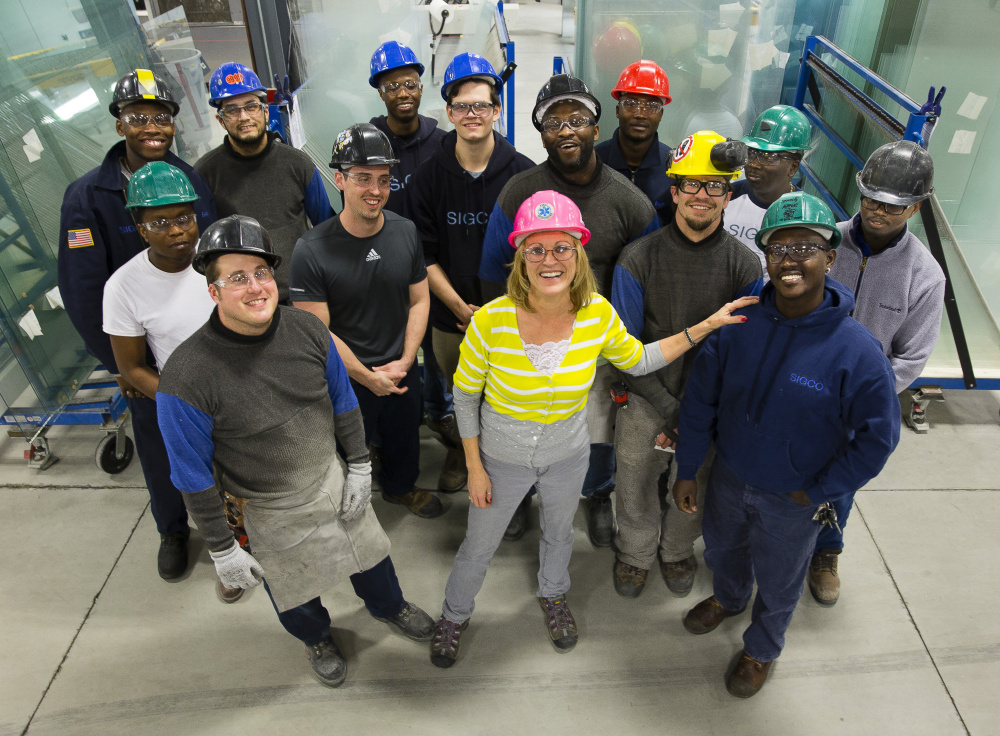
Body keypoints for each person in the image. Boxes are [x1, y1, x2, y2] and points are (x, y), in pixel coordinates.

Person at [430, 191, 756, 668]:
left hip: (567, 454)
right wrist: (475, 468)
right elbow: (463, 396)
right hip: (501, 458)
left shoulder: (597, 315)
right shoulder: (491, 322)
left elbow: (639, 358)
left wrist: (702, 327)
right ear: (519, 258)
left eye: (562, 247)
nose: (549, 260)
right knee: (479, 544)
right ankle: (454, 616)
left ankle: (554, 594)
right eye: (535, 249)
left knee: (560, 534)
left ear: (578, 254)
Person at [156, 215, 436, 688]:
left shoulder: (307, 330)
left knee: (370, 557)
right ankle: (316, 637)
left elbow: (345, 405)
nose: (255, 287)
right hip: (267, 508)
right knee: (293, 590)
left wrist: (361, 467)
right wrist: (223, 549)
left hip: (330, 480)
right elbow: (192, 475)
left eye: (261, 273)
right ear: (213, 292)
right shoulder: (186, 378)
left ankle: (389, 606)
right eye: (237, 278)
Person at [673, 192, 899, 698]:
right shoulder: (738, 324)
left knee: (781, 578)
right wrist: (689, 467)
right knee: (724, 549)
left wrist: (822, 488)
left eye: (806, 247)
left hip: (794, 496)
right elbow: (700, 400)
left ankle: (762, 648)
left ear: (829, 258)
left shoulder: (856, 351)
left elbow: (878, 438)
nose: (790, 260)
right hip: (730, 475)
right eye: (778, 248)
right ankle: (729, 599)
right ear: (765, 256)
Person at [478, 73, 659, 545]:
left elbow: (645, 277)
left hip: (593, 348)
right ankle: (518, 497)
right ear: (540, 133)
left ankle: (596, 495)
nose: (565, 131)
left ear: (595, 128)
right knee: (520, 424)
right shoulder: (518, 192)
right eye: (552, 122)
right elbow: (490, 271)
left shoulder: (628, 202)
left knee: (596, 427)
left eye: (576, 119)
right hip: (526, 340)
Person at [58, 69, 216, 581]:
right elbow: (84, 295)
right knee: (157, 442)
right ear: (120, 123)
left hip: (200, 336)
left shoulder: (188, 178)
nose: (152, 127)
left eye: (162, 117)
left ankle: (228, 523)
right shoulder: (87, 197)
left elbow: (210, 251)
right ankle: (172, 528)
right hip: (141, 351)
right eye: (138, 117)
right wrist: (125, 370)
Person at [610, 131, 762, 599]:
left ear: (728, 195)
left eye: (714, 185)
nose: (702, 195)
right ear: (673, 191)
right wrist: (669, 410)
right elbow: (625, 351)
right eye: (691, 184)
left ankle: (676, 550)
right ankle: (635, 553)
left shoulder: (745, 265)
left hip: (709, 406)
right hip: (646, 397)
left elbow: (742, 353)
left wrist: (697, 415)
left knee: (693, 484)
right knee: (634, 479)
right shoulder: (637, 259)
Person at [811, 140, 944, 606]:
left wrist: (862, 396)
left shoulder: (925, 276)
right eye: (870, 199)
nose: (878, 212)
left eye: (893, 206)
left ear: (916, 207)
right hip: (803, 383)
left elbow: (911, 356)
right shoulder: (822, 241)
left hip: (861, 403)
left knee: (840, 479)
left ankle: (827, 550)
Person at [101, 162, 242, 601]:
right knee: (204, 485)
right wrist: (189, 404)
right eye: (160, 222)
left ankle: (254, 542)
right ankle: (227, 561)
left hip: (244, 385)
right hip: (185, 403)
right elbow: (132, 367)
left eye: (184, 217)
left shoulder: (221, 263)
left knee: (249, 479)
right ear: (139, 227)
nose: (177, 230)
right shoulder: (124, 286)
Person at [289, 124, 443, 519]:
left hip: (400, 365)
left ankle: (400, 488)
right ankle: (345, 498)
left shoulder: (404, 232)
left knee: (404, 436)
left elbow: (420, 298)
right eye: (362, 179)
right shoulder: (312, 250)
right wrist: (365, 375)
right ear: (339, 179)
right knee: (346, 446)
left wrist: (407, 359)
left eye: (383, 179)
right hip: (344, 376)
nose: (375, 190)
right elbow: (316, 329)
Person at [407, 52, 534, 494]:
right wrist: (460, 307)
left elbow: (537, 253)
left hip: (513, 315)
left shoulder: (524, 176)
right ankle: (465, 454)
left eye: (481, 105)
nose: (471, 114)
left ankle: (509, 467)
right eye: (462, 106)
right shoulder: (426, 179)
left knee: (507, 398)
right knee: (463, 395)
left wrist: (503, 309)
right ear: (448, 112)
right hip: (452, 318)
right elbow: (422, 256)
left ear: (497, 110)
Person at [367, 41, 453, 454]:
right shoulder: (367, 142)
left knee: (436, 354)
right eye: (392, 85)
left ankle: (440, 415)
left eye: (410, 83)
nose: (403, 92)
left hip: (433, 269)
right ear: (379, 92)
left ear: (421, 87)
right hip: (381, 271)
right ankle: (398, 424)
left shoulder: (442, 142)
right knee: (390, 351)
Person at [195, 62, 333, 303]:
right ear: (220, 120)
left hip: (303, 295)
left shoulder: (298, 164)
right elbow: (207, 251)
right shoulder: (205, 174)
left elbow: (326, 229)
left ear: (265, 112)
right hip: (246, 301)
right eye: (232, 110)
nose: (244, 117)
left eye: (251, 107)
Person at [728, 105, 812, 273]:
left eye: (769, 157)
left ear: (793, 167)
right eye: (751, 153)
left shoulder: (806, 215)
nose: (753, 164)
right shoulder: (727, 197)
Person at [594, 59, 675, 225]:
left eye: (651, 106)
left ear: (661, 115)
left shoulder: (674, 167)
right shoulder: (594, 162)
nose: (640, 114)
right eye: (631, 104)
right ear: (617, 110)